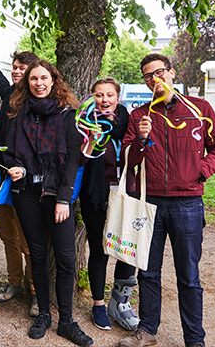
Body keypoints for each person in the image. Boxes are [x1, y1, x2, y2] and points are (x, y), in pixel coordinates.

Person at [119, 54, 215, 347]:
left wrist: (200, 171)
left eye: (158, 73)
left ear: (171, 72)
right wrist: (140, 140)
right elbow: (127, 159)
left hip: (188, 204)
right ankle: (148, 330)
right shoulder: (139, 115)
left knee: (189, 277)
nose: (154, 79)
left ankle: (194, 339)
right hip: (149, 203)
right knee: (148, 272)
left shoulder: (200, 109)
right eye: (147, 76)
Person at [5, 60, 93, 346]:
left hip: (57, 195)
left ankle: (66, 321)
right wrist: (12, 166)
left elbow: (72, 159)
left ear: (54, 81)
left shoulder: (68, 115)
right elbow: (6, 151)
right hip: (26, 192)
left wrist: (64, 199)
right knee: (38, 255)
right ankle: (43, 313)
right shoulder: (18, 113)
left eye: (44, 78)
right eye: (33, 79)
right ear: (26, 82)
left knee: (66, 259)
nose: (39, 83)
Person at [0, 50, 39, 316]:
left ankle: (36, 292)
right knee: (8, 235)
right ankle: (14, 282)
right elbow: (2, 82)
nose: (16, 71)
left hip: (26, 180)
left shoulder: (35, 102)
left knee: (29, 239)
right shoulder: (10, 97)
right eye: (14, 67)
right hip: (5, 175)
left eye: (21, 68)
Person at [78, 78, 140, 331]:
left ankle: (121, 303)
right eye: (99, 95)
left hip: (126, 194)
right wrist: (90, 140)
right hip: (95, 195)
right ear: (92, 97)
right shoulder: (84, 123)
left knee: (127, 250)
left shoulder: (129, 123)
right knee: (99, 250)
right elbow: (79, 161)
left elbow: (138, 154)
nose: (104, 100)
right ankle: (99, 304)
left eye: (109, 95)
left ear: (118, 98)